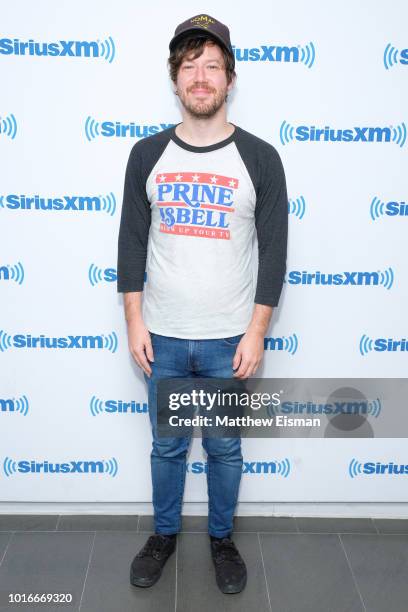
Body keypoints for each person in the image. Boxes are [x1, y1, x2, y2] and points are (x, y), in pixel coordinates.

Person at [116, 13, 288, 595]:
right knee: (167, 445)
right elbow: (132, 242)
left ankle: (221, 538)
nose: (200, 76)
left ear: (229, 79)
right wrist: (134, 320)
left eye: (212, 65)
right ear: (175, 78)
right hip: (162, 336)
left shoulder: (260, 158)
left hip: (225, 339)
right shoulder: (146, 155)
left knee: (223, 447)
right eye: (190, 65)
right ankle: (164, 534)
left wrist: (257, 329)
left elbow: (274, 253)